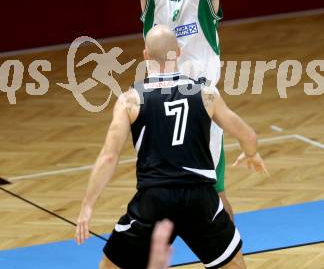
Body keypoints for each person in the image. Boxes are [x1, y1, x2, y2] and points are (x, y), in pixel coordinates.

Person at [75, 25, 267, 268]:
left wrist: (87, 206)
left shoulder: (130, 100)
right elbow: (248, 135)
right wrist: (251, 154)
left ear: (145, 55)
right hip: (199, 197)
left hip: (155, 199)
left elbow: (109, 158)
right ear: (178, 52)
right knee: (235, 265)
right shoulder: (206, 93)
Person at [112, 0, 239, 217]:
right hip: (158, 104)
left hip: (201, 101)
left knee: (215, 191)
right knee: (155, 192)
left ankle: (231, 256)